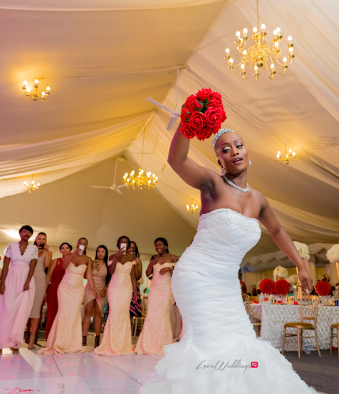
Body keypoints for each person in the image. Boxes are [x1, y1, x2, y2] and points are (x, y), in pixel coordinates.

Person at [139, 125, 316, 393]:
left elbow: (278, 231)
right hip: (197, 276)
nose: (234, 151)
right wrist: (188, 122)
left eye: (239, 145)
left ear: (247, 151)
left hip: (227, 284)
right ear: (219, 159)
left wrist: (300, 264)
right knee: (210, 343)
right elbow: (177, 161)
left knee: (240, 343)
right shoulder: (213, 183)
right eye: (225, 149)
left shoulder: (259, 200)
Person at [41, 238, 99, 354]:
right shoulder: (69, 256)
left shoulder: (88, 259)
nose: (82, 245)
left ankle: (72, 343)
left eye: (84, 244)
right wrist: (72, 254)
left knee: (74, 315)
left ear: (86, 246)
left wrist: (94, 290)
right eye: (80, 243)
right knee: (63, 314)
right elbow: (64, 267)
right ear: (77, 244)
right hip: (65, 288)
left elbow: (88, 276)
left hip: (77, 289)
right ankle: (59, 342)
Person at [0, 225, 38, 354]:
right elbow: (5, 266)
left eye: (29, 232)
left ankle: (15, 342)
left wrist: (27, 282)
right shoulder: (11, 246)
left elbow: (32, 267)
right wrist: (2, 283)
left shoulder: (33, 248)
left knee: (21, 310)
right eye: (25, 231)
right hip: (11, 279)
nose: (27, 234)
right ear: (20, 232)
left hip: (26, 280)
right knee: (4, 310)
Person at [94, 236, 137, 356]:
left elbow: (133, 276)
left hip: (126, 288)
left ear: (128, 245)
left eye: (126, 242)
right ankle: (111, 344)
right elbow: (111, 271)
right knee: (114, 313)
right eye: (121, 242)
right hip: (115, 288)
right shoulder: (113, 256)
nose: (123, 244)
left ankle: (123, 344)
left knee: (123, 314)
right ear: (118, 244)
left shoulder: (131, 257)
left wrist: (135, 292)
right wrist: (117, 257)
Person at [134, 238, 178, 355]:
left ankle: (163, 343)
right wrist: (150, 264)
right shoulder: (154, 258)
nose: (157, 247)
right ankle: (148, 343)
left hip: (166, 290)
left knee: (163, 316)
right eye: (156, 245)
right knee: (151, 316)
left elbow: (180, 273)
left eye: (160, 245)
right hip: (154, 290)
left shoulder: (173, 257)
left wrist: (170, 268)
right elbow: (148, 274)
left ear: (166, 245)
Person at [25, 232, 52, 349]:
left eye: (44, 239)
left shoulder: (47, 252)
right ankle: (25, 332)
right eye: (39, 238)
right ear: (36, 239)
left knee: (36, 310)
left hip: (40, 281)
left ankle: (32, 337)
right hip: (28, 279)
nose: (41, 240)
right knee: (25, 308)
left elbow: (46, 265)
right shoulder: (29, 249)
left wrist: (46, 252)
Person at [82, 244, 109, 348]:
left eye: (102, 251)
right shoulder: (91, 262)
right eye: (98, 251)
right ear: (96, 253)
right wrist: (92, 266)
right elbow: (85, 276)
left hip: (101, 290)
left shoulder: (108, 264)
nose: (100, 253)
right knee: (87, 313)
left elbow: (111, 278)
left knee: (98, 314)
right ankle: (83, 341)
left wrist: (105, 289)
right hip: (89, 289)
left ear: (105, 253)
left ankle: (97, 342)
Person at [45, 242, 72, 340]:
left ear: (70, 250)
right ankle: (49, 339)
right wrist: (45, 291)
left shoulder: (73, 262)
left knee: (65, 316)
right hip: (54, 289)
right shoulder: (55, 261)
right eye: (62, 248)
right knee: (52, 314)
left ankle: (62, 340)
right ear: (60, 250)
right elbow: (48, 276)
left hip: (68, 291)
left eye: (67, 248)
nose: (64, 249)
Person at [128, 241, 144, 317]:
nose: (131, 249)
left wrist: (136, 264)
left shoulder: (138, 261)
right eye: (129, 247)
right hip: (122, 285)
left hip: (133, 288)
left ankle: (128, 328)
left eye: (133, 248)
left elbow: (138, 277)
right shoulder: (122, 259)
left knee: (130, 312)